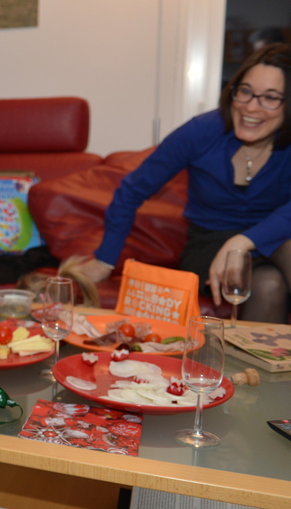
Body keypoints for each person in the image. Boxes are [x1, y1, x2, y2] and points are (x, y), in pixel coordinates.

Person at [78, 43, 291, 323]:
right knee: (269, 285)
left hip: (278, 234)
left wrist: (242, 242)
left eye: (270, 98)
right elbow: (132, 190)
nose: (251, 107)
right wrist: (105, 259)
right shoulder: (201, 131)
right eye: (245, 91)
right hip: (211, 242)